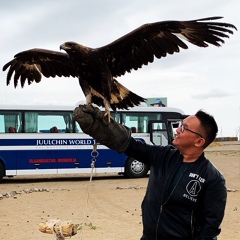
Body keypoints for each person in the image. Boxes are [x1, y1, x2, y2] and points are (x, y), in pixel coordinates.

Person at [73, 105, 227, 240]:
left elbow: (210, 228)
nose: (178, 130)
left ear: (199, 141)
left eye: (185, 128)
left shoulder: (213, 179)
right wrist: (101, 128)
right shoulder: (163, 156)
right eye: (181, 124)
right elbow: (130, 146)